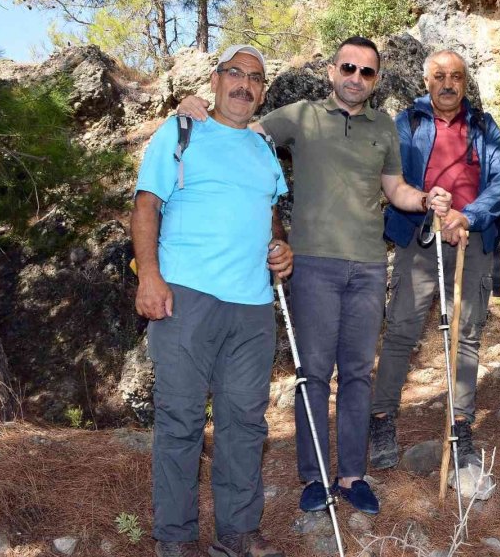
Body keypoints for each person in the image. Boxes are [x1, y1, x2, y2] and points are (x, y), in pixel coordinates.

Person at [175, 36, 451, 516]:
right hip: (312, 266)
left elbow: (395, 189)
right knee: (314, 374)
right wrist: (194, 106)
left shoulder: (383, 127)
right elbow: (241, 129)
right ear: (331, 70)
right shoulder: (300, 116)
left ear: (376, 80)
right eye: (348, 67)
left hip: (368, 265)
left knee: (358, 374)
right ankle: (316, 477)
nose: (356, 78)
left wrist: (426, 199)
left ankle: (352, 475)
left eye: (367, 72)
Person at [133, 44, 293, 557]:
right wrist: (149, 277)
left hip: (252, 306)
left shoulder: (264, 147)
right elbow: (146, 205)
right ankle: (175, 539)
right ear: (216, 80)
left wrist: (281, 246)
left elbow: (270, 215)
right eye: (235, 73)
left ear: (262, 92)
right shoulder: (181, 132)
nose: (245, 84)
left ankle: (238, 533)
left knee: (245, 423)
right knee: (180, 420)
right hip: (186, 298)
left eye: (256, 78)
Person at [368, 49, 500, 471]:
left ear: (465, 82)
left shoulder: (483, 126)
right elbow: (393, 178)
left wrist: (467, 216)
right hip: (419, 238)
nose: (448, 84)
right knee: (401, 332)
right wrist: (433, 209)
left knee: (467, 336)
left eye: (456, 77)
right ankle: (381, 420)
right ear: (426, 81)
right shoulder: (407, 123)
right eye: (439, 76)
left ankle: (460, 425)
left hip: (472, 240)